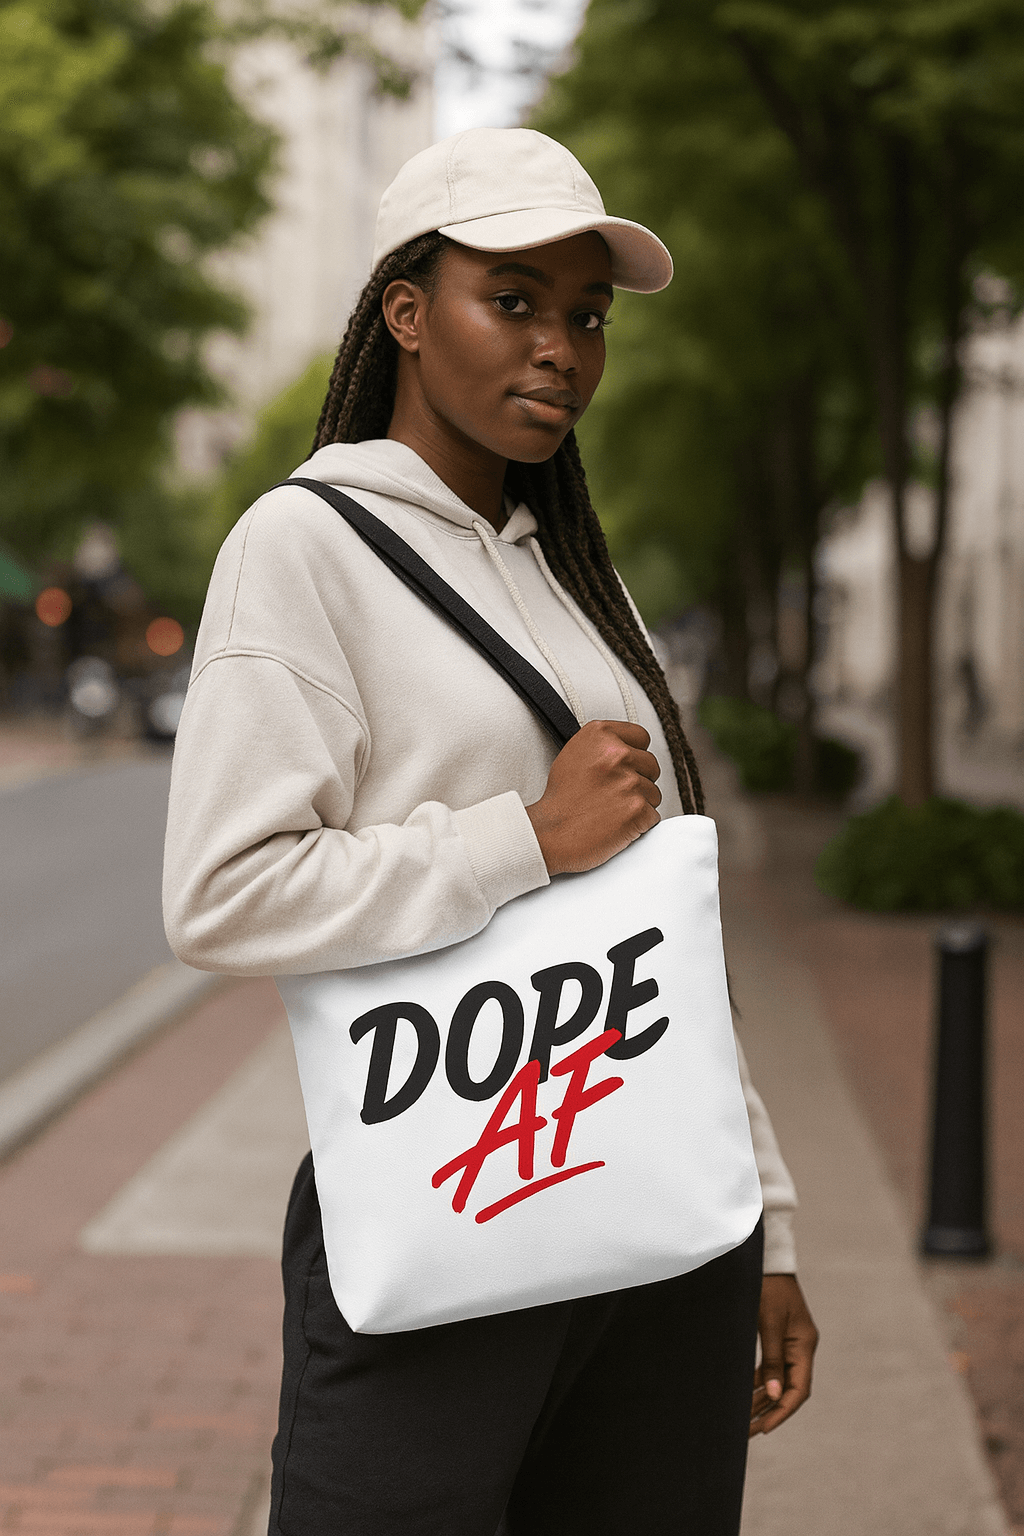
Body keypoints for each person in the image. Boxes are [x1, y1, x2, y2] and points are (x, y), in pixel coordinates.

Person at [163, 126, 817, 1536]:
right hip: (446, 1199)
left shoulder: (581, 578)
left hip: (657, 1223)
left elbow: (666, 930)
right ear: (406, 312)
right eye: (511, 301)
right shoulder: (302, 548)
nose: (560, 349)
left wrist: (760, 1216)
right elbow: (224, 891)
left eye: (587, 316)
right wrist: (524, 837)